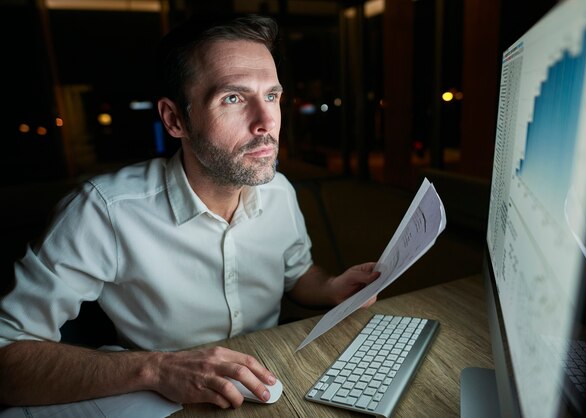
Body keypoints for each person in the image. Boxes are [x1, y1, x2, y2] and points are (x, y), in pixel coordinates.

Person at [0, 15, 380, 409]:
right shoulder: (103, 211)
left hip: (272, 382)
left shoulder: (278, 190)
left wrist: (331, 287)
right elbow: (5, 356)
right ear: (175, 119)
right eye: (233, 98)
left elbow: (298, 273)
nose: (267, 123)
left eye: (271, 96)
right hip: (164, 403)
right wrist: (158, 370)